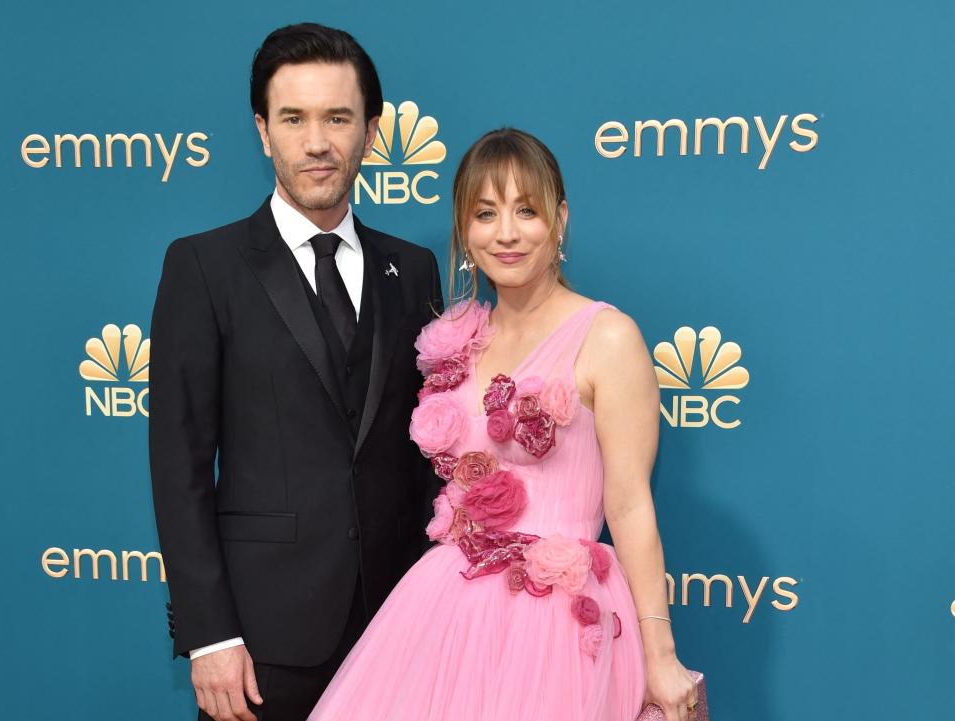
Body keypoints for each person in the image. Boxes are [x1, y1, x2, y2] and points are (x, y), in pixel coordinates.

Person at [308, 128, 698, 721]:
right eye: (485, 213)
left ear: (560, 219)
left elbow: (630, 505)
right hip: (447, 612)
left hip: (558, 624)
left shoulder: (608, 337)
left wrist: (661, 655)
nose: (507, 233)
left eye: (527, 211)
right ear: (465, 229)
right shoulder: (459, 336)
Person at [149, 23, 442, 721]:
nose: (317, 142)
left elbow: (429, 452)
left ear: (372, 131)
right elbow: (178, 465)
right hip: (261, 643)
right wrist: (209, 632)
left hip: (397, 629)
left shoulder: (415, 269)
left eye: (338, 117)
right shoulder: (203, 267)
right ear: (262, 131)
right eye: (294, 118)